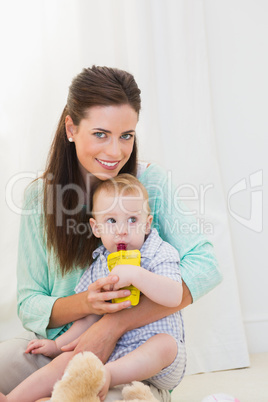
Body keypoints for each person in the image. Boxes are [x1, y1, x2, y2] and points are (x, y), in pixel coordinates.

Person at [0, 65, 222, 401]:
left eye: (126, 136)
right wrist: (87, 305)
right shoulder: (39, 198)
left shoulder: (151, 184)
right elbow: (31, 303)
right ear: (71, 128)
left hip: (134, 363)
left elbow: (205, 267)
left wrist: (112, 325)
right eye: (101, 134)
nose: (116, 152)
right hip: (64, 351)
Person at [0, 174, 186, 401]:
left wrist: (137, 275)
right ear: (96, 228)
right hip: (111, 350)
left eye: (132, 220)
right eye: (111, 221)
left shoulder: (158, 252)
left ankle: (106, 375)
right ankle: (12, 399)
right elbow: (89, 318)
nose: (122, 230)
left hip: (158, 363)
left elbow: (174, 295)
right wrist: (58, 345)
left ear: (147, 223)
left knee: (165, 344)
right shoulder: (99, 265)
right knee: (69, 359)